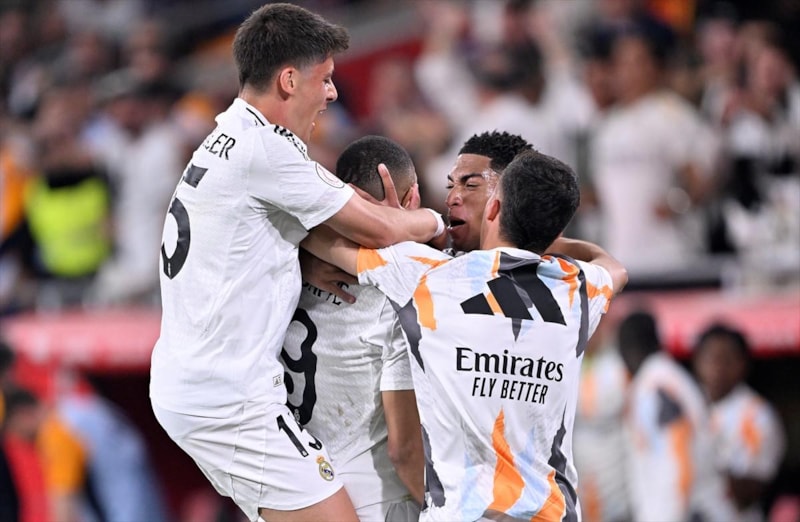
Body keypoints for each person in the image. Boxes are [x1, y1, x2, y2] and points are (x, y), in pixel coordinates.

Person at [148, 4, 446, 522]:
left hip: (197, 381)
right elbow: (382, 227)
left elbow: (249, 239)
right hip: (230, 399)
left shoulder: (228, 139)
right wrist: (437, 223)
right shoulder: (268, 150)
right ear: (289, 80)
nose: (332, 94)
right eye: (325, 79)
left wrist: (302, 259)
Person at [302, 149, 628, 520]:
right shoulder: (578, 290)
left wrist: (420, 223)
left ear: (493, 208)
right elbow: (614, 267)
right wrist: (547, 239)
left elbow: (319, 237)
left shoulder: (426, 275)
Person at [282, 135, 424, 522]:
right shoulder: (401, 294)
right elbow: (405, 451)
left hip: (293, 495)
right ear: (412, 198)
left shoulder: (285, 271)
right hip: (375, 502)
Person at [617, 310, 733, 521]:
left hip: (683, 512)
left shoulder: (656, 386)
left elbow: (678, 460)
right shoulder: (668, 376)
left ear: (625, 348)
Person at [692, 323, 786, 521]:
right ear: (697, 361)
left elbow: (748, 494)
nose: (717, 367)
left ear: (743, 364)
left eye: (726, 360)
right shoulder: (688, 406)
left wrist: (706, 455)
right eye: (710, 358)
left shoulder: (757, 415)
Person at [445, 130, 533, 254]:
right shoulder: (427, 259)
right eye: (450, 186)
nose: (450, 200)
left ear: (514, 196)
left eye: (471, 185)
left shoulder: (553, 264)